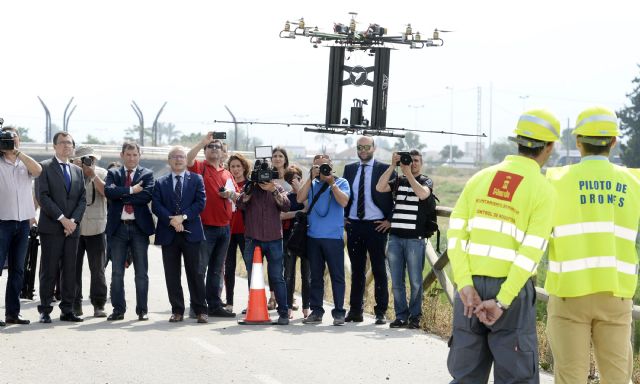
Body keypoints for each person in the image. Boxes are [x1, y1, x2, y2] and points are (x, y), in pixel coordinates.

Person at [447, 109, 560, 383]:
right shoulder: (542, 189)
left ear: (517, 141)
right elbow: (531, 253)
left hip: (470, 290)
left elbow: (455, 235)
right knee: (516, 375)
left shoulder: (480, 178)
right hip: (512, 293)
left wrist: (464, 283)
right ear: (549, 147)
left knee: (465, 374)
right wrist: (502, 300)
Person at [545, 106, 640, 384]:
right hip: (616, 292)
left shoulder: (557, 179)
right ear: (613, 141)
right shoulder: (634, 181)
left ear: (577, 141)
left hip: (569, 292)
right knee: (617, 377)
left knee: (570, 376)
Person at [376, 150, 433, 329]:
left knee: (416, 281)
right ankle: (401, 316)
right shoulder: (398, 180)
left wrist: (408, 173)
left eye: (416, 161)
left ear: (421, 163)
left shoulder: (425, 180)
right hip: (395, 238)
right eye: (409, 160)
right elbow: (379, 187)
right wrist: (393, 165)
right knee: (397, 281)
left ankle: (415, 317)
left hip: (415, 239)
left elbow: (423, 194)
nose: (413, 163)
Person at [152, 147, 208, 323]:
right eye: (174, 157)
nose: (178, 160)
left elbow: (200, 203)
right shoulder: (160, 182)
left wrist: (182, 217)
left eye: (182, 157)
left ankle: (200, 310)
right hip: (169, 233)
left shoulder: (197, 179)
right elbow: (156, 205)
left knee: (196, 273)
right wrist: (172, 220)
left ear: (186, 160)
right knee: (172, 274)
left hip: (191, 233)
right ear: (169, 160)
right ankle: (177, 310)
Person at [35, 132, 86, 323]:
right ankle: (45, 309)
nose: (67, 146)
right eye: (63, 143)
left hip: (72, 229)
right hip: (52, 227)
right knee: (49, 269)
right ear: (55, 146)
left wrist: (73, 221)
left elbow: (82, 199)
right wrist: (62, 219)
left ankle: (67, 309)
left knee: (70, 270)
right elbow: (43, 197)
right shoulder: (45, 167)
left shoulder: (77, 170)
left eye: (70, 143)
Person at [342, 136, 394, 324]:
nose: (363, 150)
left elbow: (396, 197)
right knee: (356, 271)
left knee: (379, 269)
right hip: (354, 225)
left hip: (376, 226)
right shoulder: (350, 169)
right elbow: (345, 194)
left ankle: (380, 312)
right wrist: (344, 215)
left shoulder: (384, 169)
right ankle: (356, 310)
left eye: (366, 147)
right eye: (359, 147)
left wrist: (390, 220)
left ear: (374, 148)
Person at [187, 132, 237, 318]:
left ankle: (214, 305)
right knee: (200, 269)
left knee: (216, 270)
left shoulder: (227, 173)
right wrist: (202, 142)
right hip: (205, 226)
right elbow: (188, 159)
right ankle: (197, 306)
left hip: (224, 227)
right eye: (211, 146)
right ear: (206, 151)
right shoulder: (200, 167)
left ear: (224, 153)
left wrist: (230, 195)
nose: (214, 149)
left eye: (218, 147)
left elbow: (237, 197)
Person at [104, 142, 155, 321]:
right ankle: (118, 309)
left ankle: (142, 310)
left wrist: (121, 195)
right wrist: (132, 190)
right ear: (122, 155)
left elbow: (146, 196)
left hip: (139, 229)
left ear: (139, 156)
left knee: (141, 273)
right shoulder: (113, 173)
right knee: (117, 272)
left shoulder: (147, 174)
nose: (132, 158)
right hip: (118, 228)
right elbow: (109, 193)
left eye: (135, 155)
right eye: (128, 155)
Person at [236, 162, 291, 325]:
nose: (263, 179)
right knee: (253, 277)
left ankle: (283, 314)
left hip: (274, 239)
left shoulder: (277, 187)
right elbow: (240, 204)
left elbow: (286, 206)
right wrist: (249, 190)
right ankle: (254, 310)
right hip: (253, 239)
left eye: (266, 175)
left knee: (276, 277)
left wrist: (273, 190)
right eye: (260, 174)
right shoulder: (250, 187)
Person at [298, 154, 350, 326]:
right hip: (313, 237)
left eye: (325, 166)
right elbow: (299, 199)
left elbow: (343, 202)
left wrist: (331, 183)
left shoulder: (341, 182)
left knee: (337, 276)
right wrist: (309, 178)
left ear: (332, 166)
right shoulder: (311, 184)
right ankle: (316, 311)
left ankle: (339, 313)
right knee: (316, 277)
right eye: (318, 167)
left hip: (333, 238)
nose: (322, 169)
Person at [0, 125, 42, 325]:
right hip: (2, 222)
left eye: (14, 138)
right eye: (7, 139)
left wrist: (17, 152)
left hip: (23, 222)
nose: (11, 142)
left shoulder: (25, 163)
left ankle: (12, 313)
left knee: (17, 270)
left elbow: (38, 170)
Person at [72, 146, 108, 318]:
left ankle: (99, 304)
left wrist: (92, 175)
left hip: (97, 228)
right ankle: (75, 304)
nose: (88, 162)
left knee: (98, 270)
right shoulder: (71, 173)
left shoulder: (102, 173)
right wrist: (77, 171)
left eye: (90, 159)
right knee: (72, 269)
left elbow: (107, 194)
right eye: (84, 159)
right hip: (74, 228)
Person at [282, 165, 310, 318]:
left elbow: (308, 208)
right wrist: (298, 213)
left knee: (306, 274)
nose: (294, 183)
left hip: (305, 238)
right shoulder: (285, 196)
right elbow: (282, 215)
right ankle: (288, 308)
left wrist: (301, 190)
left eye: (297, 179)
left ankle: (306, 307)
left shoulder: (305, 195)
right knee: (289, 274)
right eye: (290, 180)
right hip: (289, 237)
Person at [223, 153, 250, 313]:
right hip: (229, 230)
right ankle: (229, 303)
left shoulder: (250, 184)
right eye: (232, 166)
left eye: (238, 166)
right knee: (229, 267)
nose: (235, 169)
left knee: (250, 267)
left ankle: (251, 301)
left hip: (246, 231)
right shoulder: (226, 183)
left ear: (244, 167)